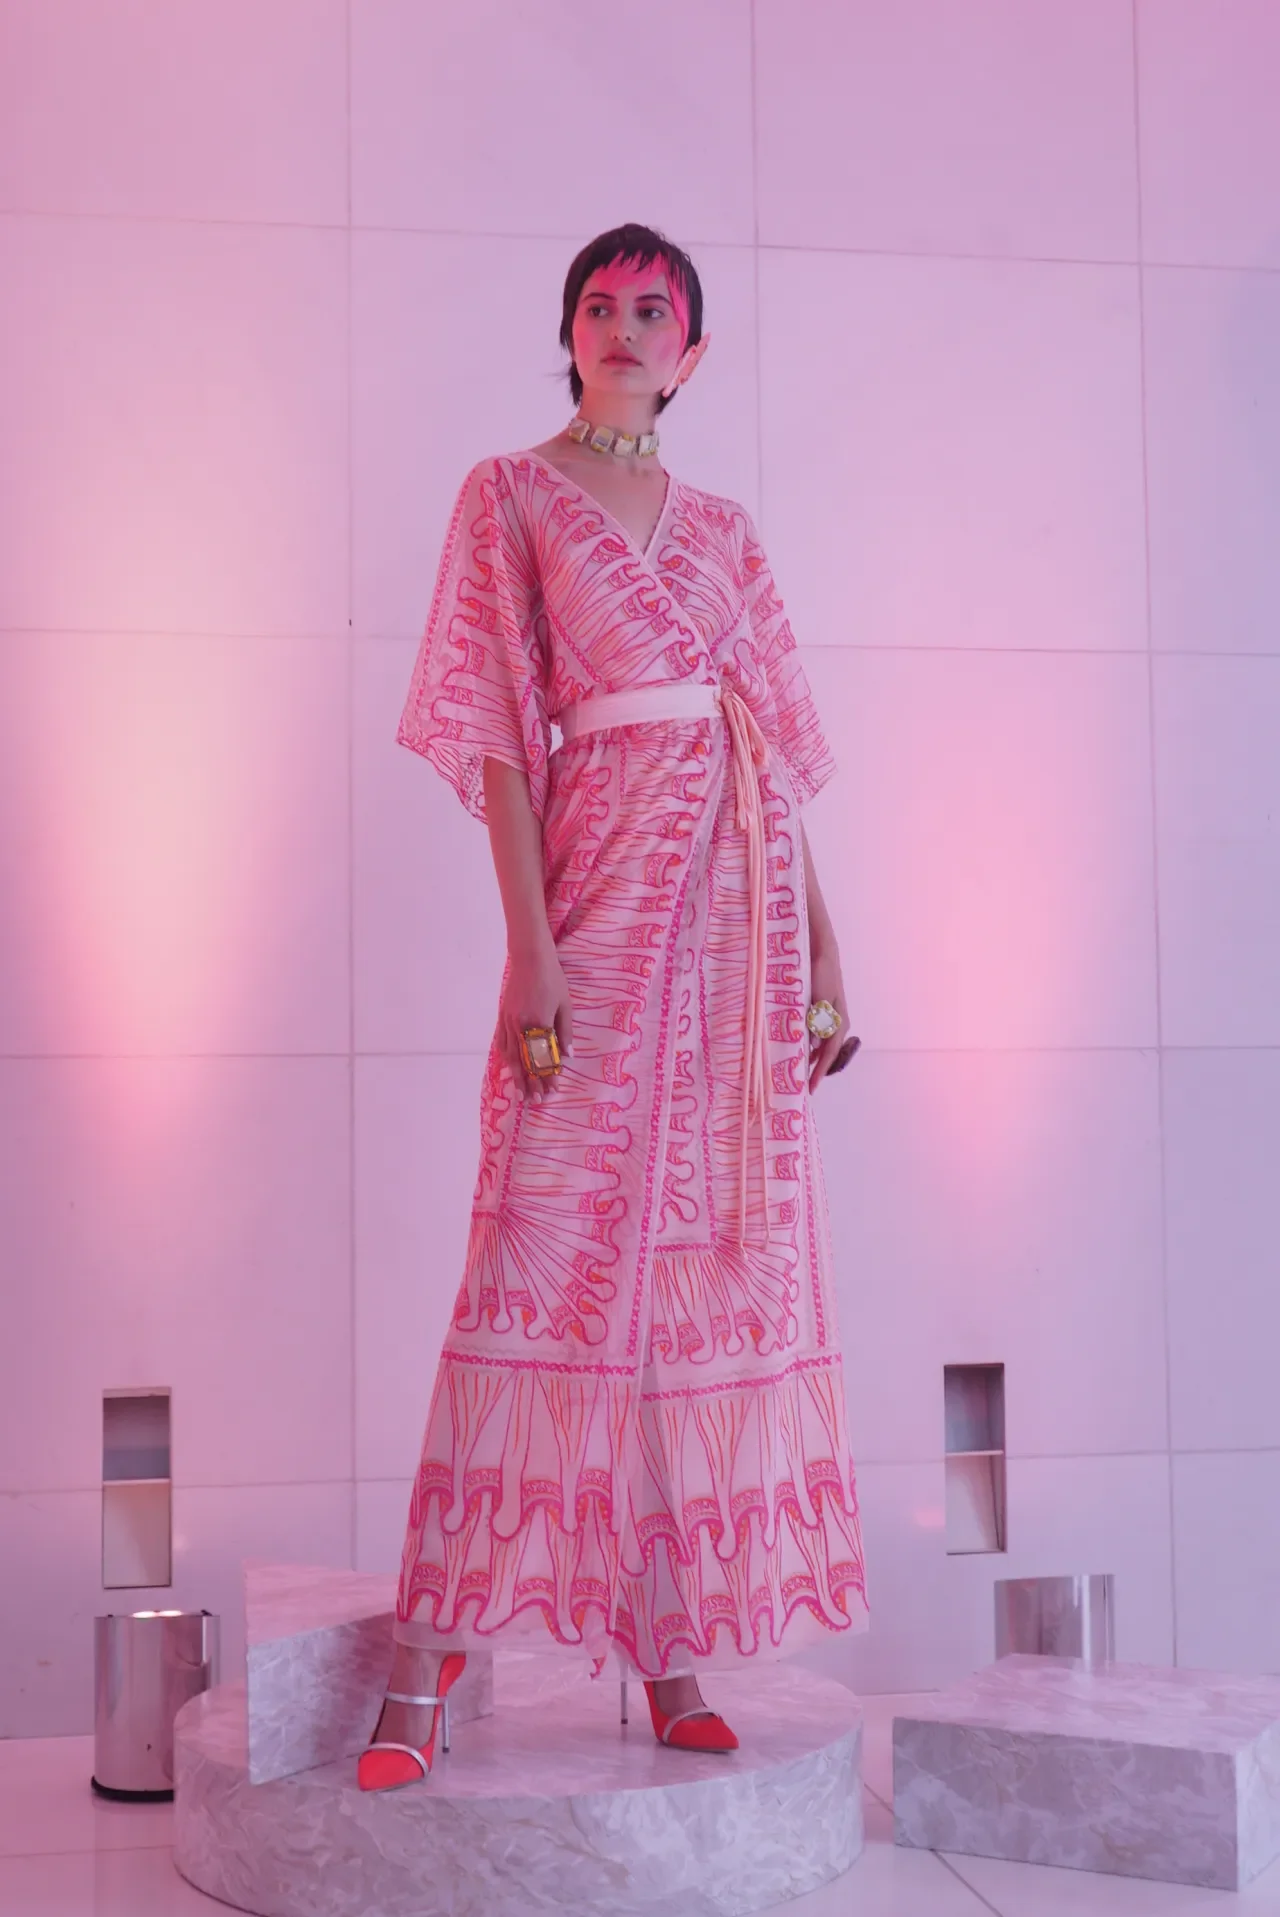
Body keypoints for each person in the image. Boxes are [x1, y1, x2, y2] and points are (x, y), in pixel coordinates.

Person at [359, 223, 868, 1792]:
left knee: (688, 1277)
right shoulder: (508, 497)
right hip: (596, 899)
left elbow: (766, 751)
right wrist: (532, 951)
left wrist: (827, 948)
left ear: (695, 354)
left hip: (738, 926)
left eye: (659, 310)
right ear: (568, 334)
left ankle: (668, 1649)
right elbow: (506, 739)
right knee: (542, 1253)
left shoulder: (725, 530)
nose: (630, 326)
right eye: (604, 304)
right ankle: (424, 1668)